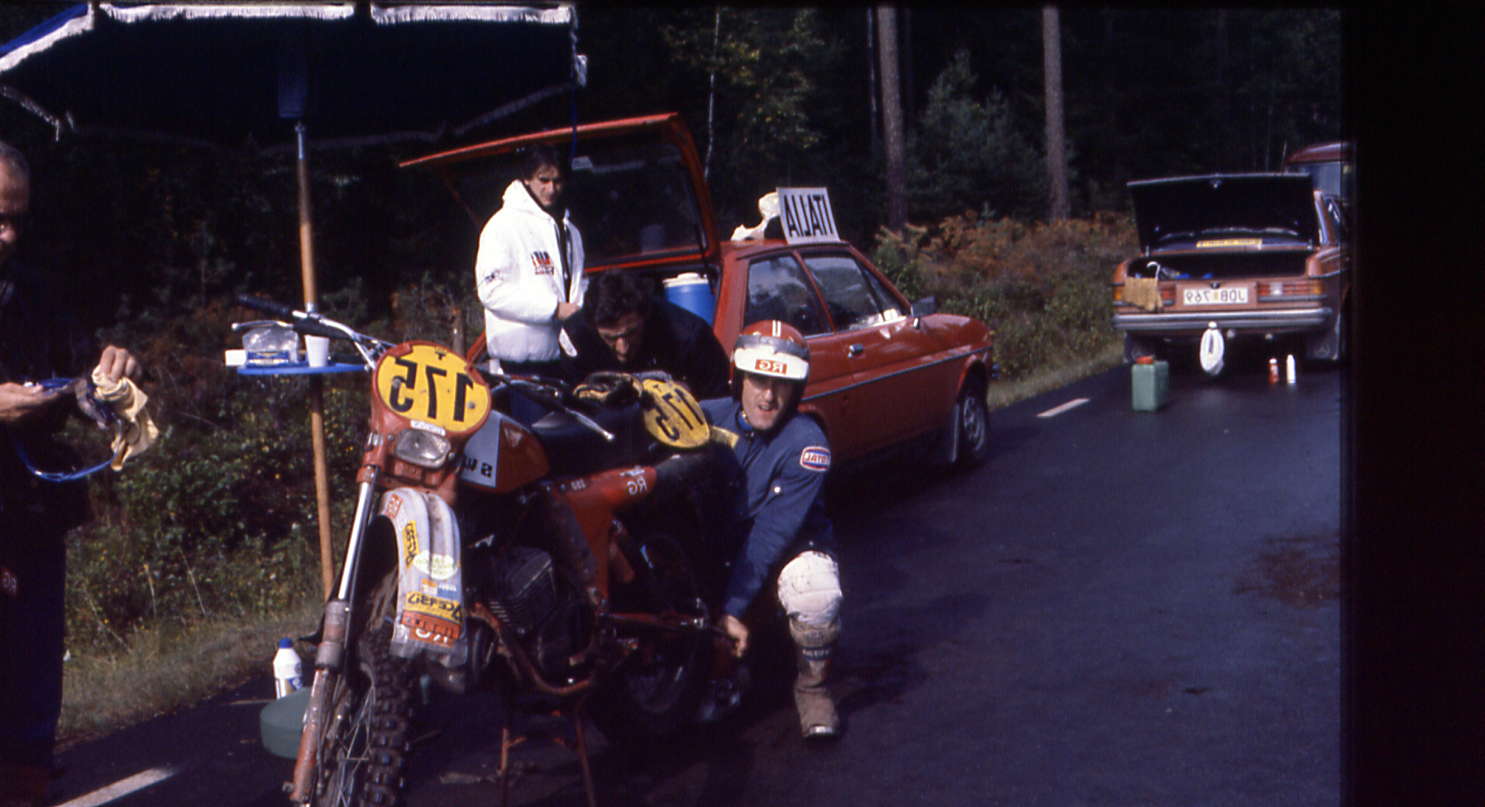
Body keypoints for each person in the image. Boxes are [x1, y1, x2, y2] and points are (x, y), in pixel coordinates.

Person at [0, 141, 141, 807]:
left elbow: (73, 377)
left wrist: (107, 379)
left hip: (30, 514)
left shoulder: (34, 290)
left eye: (16, 218)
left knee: (31, 691)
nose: (8, 234)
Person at [701, 320, 842, 739]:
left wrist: (732, 609)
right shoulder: (703, 416)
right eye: (758, 380)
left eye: (781, 384)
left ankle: (812, 688)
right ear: (738, 378)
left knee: (815, 591)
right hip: (720, 550)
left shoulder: (807, 444)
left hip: (786, 551)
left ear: (796, 389)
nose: (768, 395)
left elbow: (770, 535)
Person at [473, 144, 587, 379]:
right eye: (543, 180)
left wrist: (583, 310)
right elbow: (491, 291)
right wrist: (554, 309)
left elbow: (579, 282)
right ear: (526, 179)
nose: (551, 189)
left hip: (567, 359)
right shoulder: (502, 225)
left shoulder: (570, 230)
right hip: (521, 367)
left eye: (557, 181)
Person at [561, 270, 730, 398]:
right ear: (592, 326)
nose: (623, 349)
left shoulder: (689, 335)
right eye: (610, 338)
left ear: (646, 316)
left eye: (631, 333)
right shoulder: (575, 336)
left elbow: (719, 402)